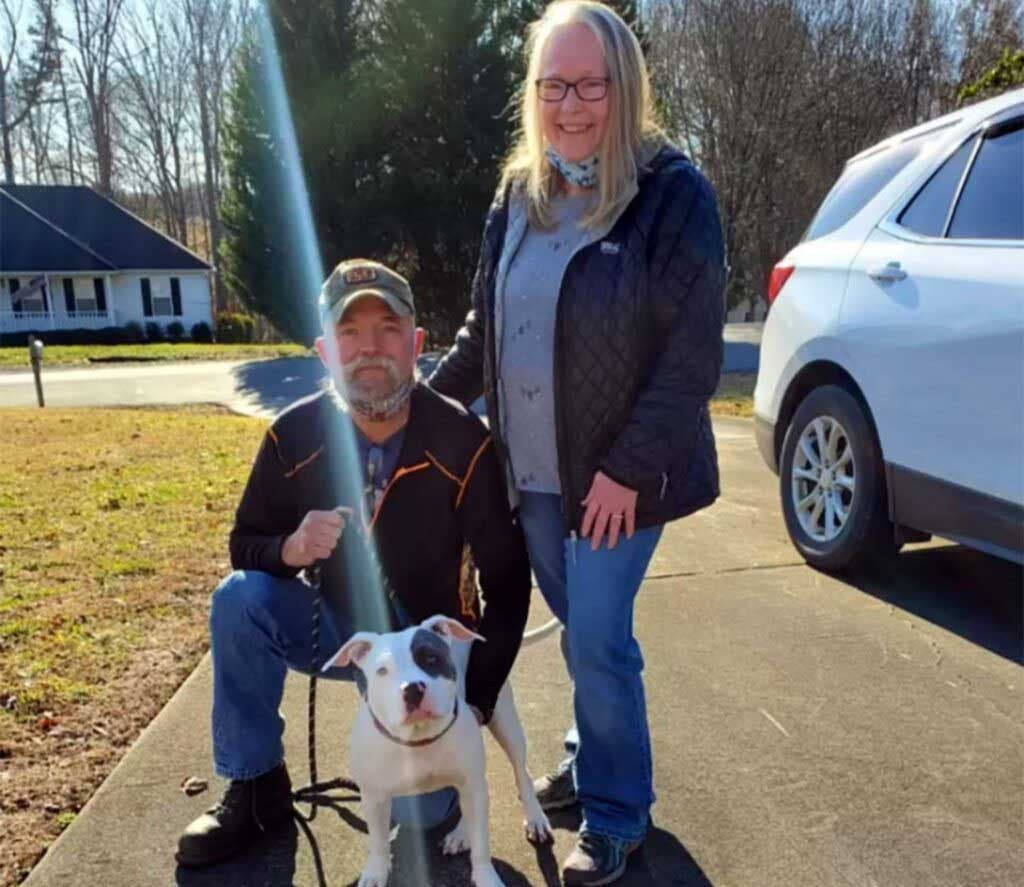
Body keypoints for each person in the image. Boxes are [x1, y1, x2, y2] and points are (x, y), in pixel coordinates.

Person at [428, 2, 727, 883]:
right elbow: (486, 326)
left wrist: (629, 469)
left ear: (625, 87)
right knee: (578, 633)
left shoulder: (673, 194)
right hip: (535, 471)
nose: (570, 104)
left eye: (591, 83)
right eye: (552, 84)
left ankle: (618, 809)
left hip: (619, 479)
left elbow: (691, 354)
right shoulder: (519, 191)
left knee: (597, 636)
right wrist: (420, 407)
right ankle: (592, 755)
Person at [176, 259, 532, 868]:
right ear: (324, 350)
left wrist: (471, 704)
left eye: (388, 327)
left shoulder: (462, 439)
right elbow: (245, 544)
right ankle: (255, 785)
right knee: (237, 600)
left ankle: (438, 783)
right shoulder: (291, 436)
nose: (369, 348)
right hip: (344, 632)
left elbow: (507, 582)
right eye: (349, 332)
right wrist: (289, 549)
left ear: (417, 343)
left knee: (419, 822)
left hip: (425, 648)